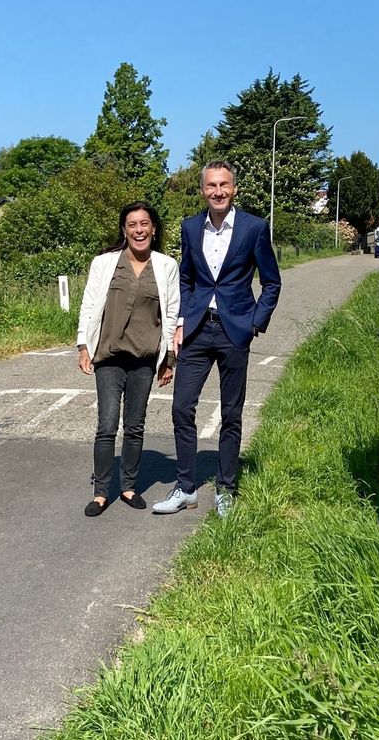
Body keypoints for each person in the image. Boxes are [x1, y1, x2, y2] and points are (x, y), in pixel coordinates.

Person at [152, 161, 281, 518]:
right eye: (211, 186)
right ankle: (186, 488)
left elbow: (272, 282)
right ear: (203, 190)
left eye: (224, 185)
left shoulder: (254, 228)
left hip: (234, 330)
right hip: (195, 330)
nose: (218, 191)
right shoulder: (190, 227)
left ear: (234, 188)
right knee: (181, 408)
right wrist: (180, 320)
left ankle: (226, 488)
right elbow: (187, 278)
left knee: (231, 413)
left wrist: (254, 322)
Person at [77, 202, 179, 517]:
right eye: (132, 224)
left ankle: (129, 486)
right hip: (108, 356)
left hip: (145, 358)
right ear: (125, 230)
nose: (138, 230)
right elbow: (90, 303)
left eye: (144, 224)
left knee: (134, 426)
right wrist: (83, 344)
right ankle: (100, 493)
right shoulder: (104, 263)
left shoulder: (166, 266)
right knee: (107, 425)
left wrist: (170, 359)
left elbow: (173, 313)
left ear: (153, 229)